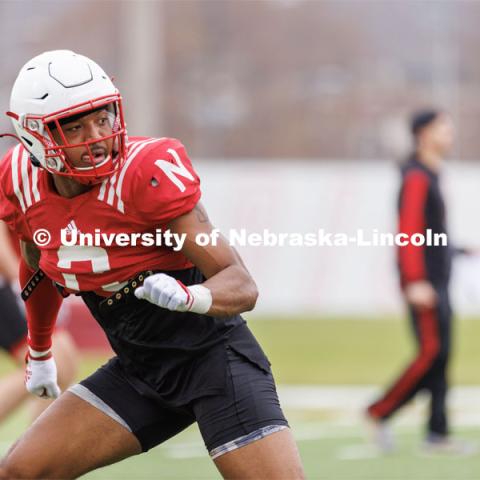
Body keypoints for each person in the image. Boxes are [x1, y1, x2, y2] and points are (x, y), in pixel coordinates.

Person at [0, 50, 305, 479]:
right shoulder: (21, 181)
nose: (97, 137)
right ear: (34, 135)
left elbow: (241, 284)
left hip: (214, 362)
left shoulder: (144, 172)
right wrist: (41, 349)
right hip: (137, 371)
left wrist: (191, 296)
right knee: (21, 470)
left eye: (102, 118)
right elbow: (39, 268)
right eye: (75, 126)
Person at [366, 109, 467, 453]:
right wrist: (414, 280)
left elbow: (433, 232)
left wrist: (460, 250)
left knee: (443, 355)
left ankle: (437, 433)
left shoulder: (433, 174)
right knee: (431, 353)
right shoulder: (416, 177)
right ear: (423, 133)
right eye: (444, 126)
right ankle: (379, 411)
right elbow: (408, 231)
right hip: (424, 283)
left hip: (439, 279)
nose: (450, 132)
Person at [0, 219, 78, 423]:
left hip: (23, 282)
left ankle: (34, 450)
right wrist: (20, 285)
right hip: (7, 285)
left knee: (64, 365)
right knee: (53, 366)